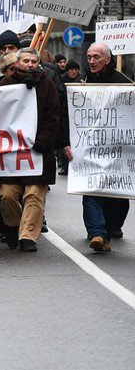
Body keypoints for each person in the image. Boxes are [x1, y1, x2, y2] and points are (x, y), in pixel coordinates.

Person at [68, 43, 132, 251]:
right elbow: (70, 116)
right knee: (91, 190)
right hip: (89, 150)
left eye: (96, 57)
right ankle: (97, 232)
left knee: (113, 195)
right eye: (89, 57)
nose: (92, 61)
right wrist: (66, 143)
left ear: (108, 59)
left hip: (117, 152)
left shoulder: (124, 84)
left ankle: (108, 231)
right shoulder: (81, 84)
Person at [0, 47, 60, 253]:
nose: (30, 65)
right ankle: (13, 226)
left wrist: (43, 140)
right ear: (17, 63)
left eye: (34, 61)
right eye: (26, 61)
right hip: (12, 154)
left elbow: (53, 117)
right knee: (7, 195)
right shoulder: (5, 85)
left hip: (38, 153)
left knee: (34, 196)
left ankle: (28, 236)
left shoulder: (47, 85)